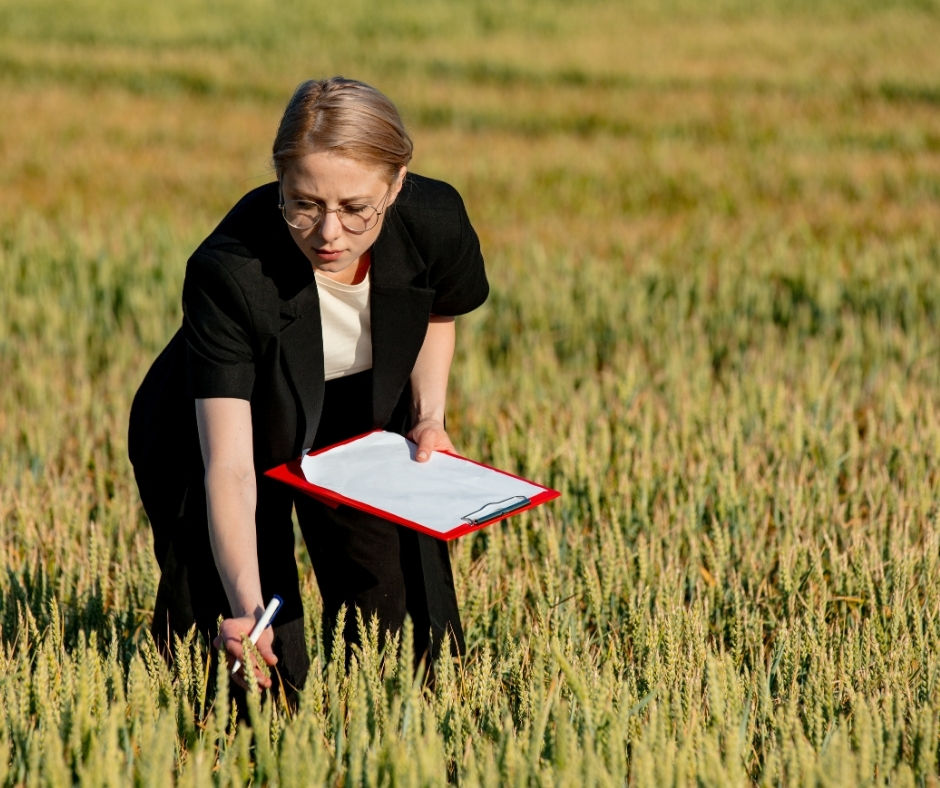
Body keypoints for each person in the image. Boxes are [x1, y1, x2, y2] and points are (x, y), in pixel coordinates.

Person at [128, 76, 488, 701]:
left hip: (353, 405)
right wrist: (248, 608)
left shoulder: (434, 219)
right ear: (279, 182)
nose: (329, 234)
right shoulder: (229, 272)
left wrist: (429, 415)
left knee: (395, 635)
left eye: (356, 208)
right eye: (304, 203)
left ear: (397, 185)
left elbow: (437, 313)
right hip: (222, 423)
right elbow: (232, 470)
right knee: (255, 674)